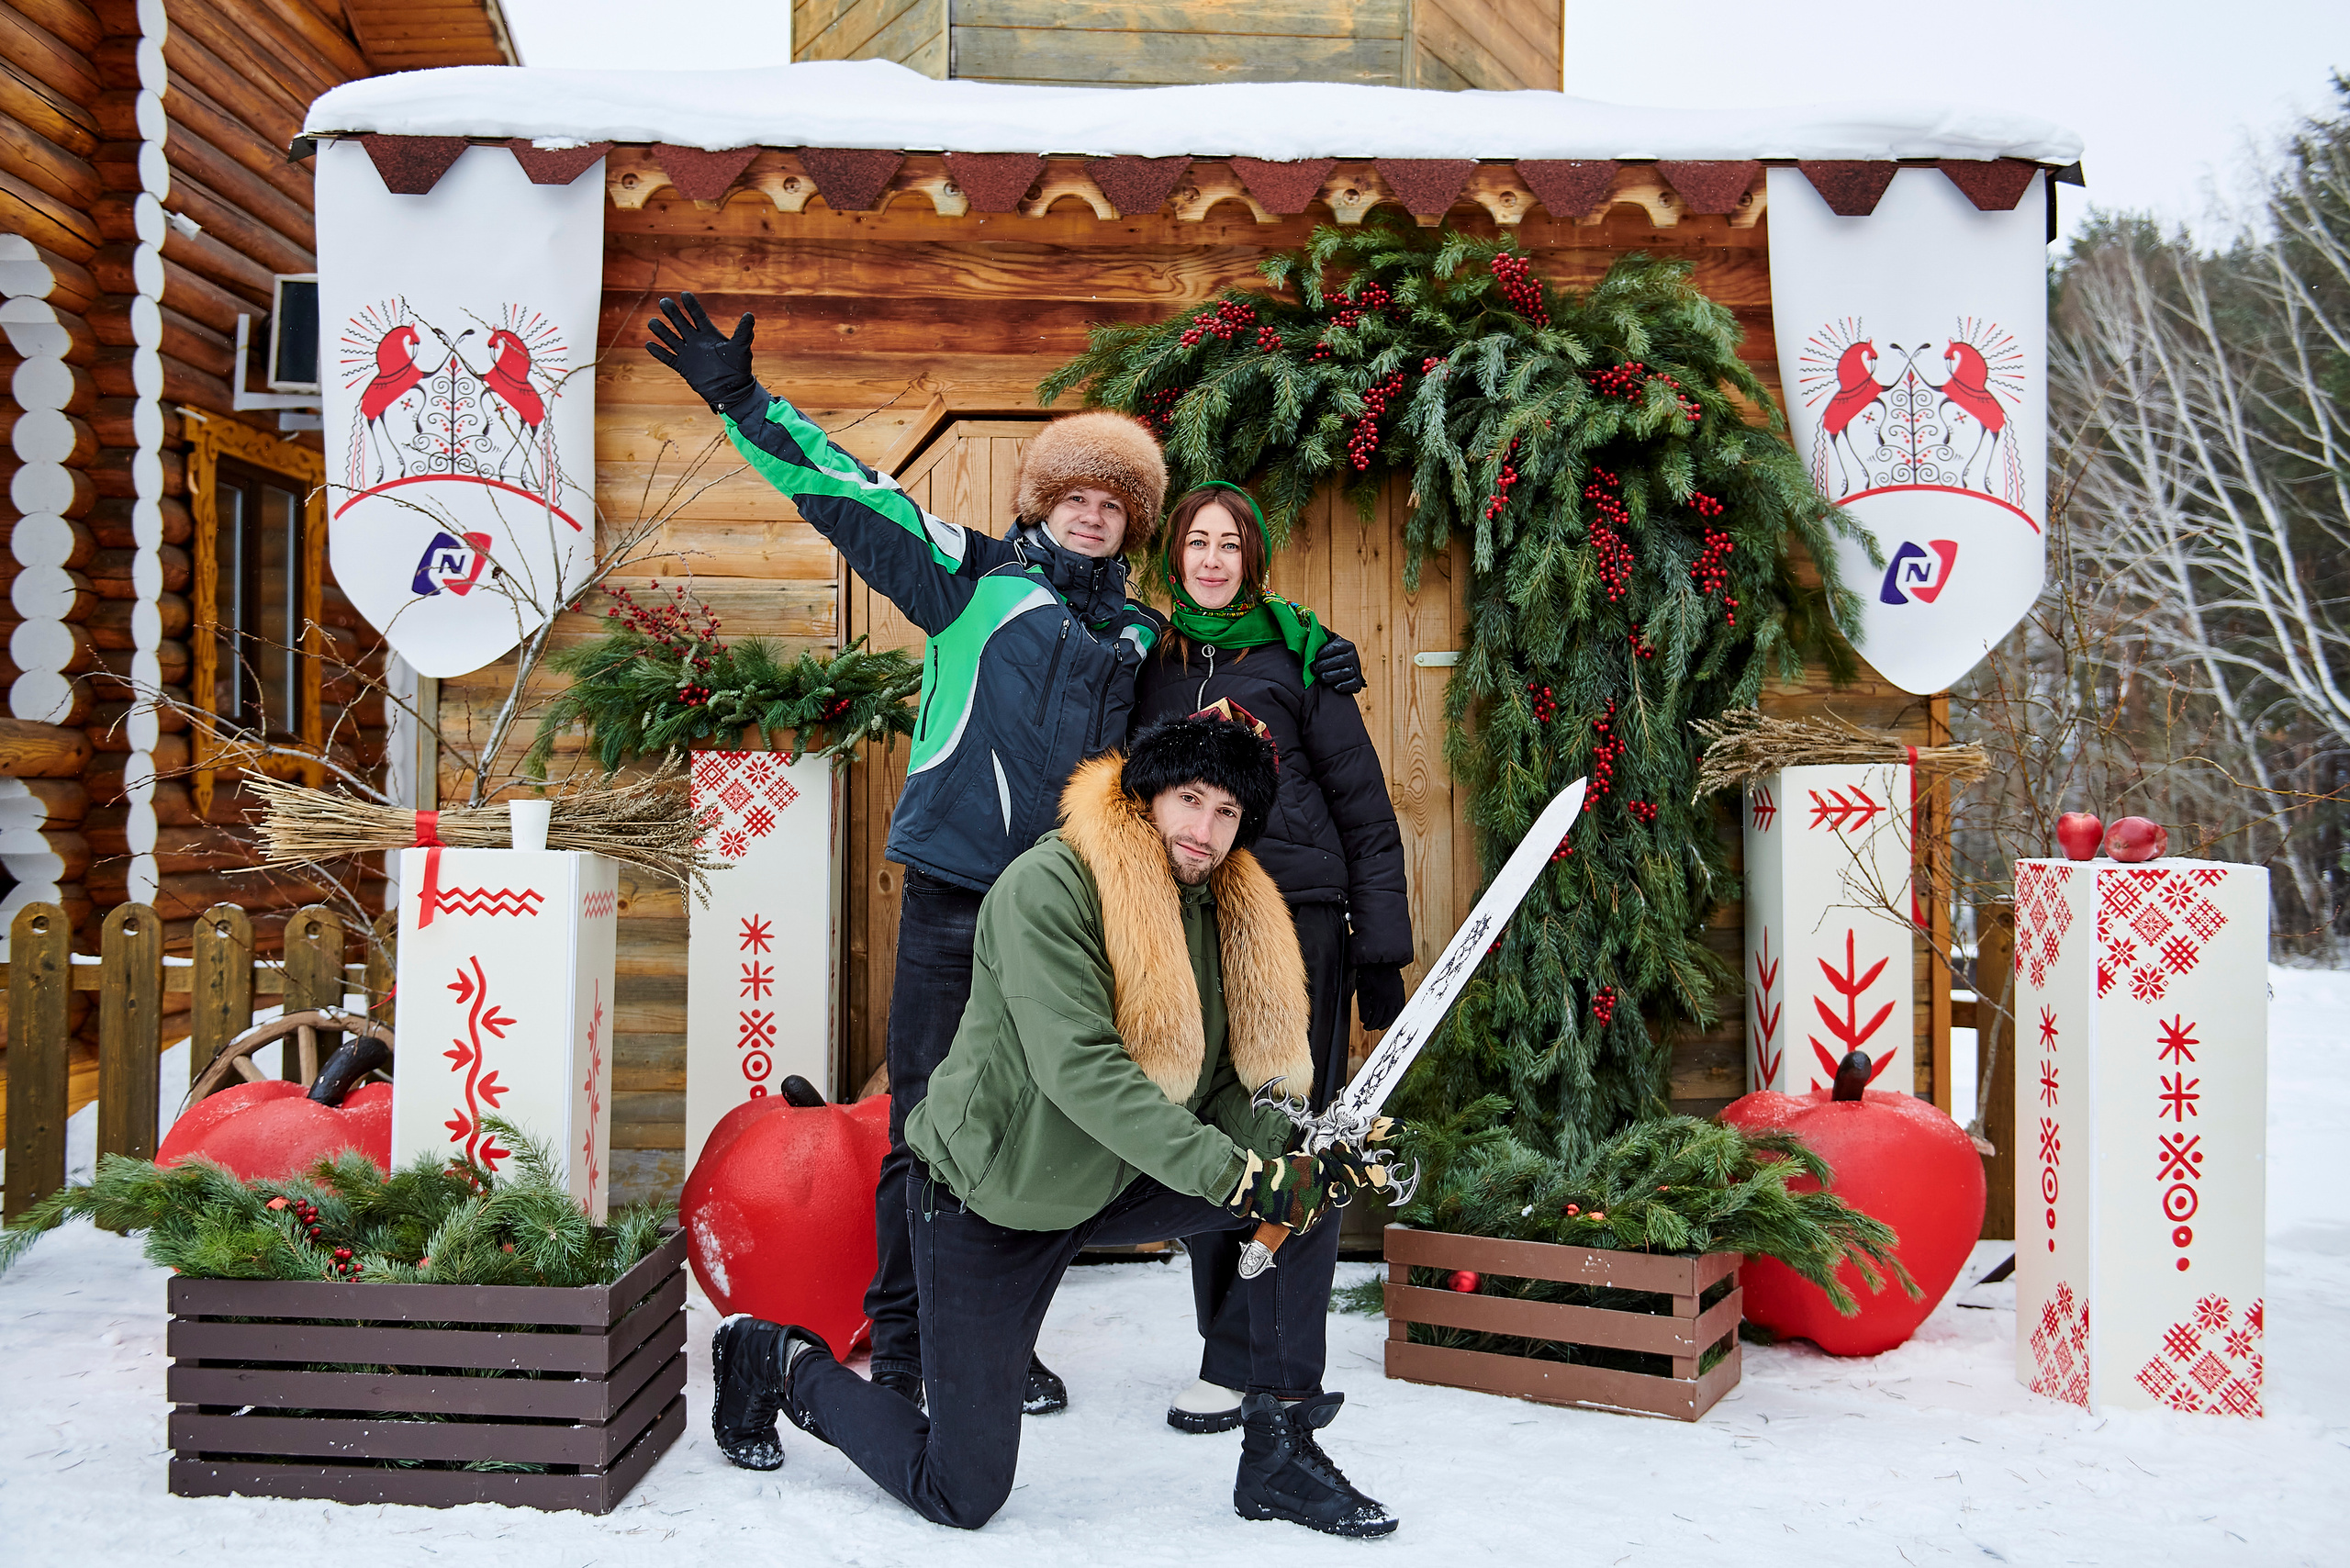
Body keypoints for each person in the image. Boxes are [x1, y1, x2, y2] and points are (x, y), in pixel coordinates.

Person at [645, 297, 1368, 1417]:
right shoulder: (971, 579)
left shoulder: (1137, 634)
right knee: (927, 1124)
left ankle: (992, 1335)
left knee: (1042, 1130)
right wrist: (740, 399)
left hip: (1071, 917)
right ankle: (907, 1344)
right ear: (1044, 503)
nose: (1091, 516)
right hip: (953, 895)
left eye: (1113, 504)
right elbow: (850, 496)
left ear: (1135, 526)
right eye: (1073, 497)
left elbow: (1215, 683)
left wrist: (1315, 649)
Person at [708, 714, 1399, 1538]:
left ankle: (1281, 1453)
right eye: (1189, 800)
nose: (1203, 830)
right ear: (1145, 795)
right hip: (990, 1196)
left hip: (1107, 1180)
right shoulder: (1048, 888)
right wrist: (1241, 1176)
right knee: (961, 1490)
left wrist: (1303, 1156)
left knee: (1305, 1196)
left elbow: (1219, 1090)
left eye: (1226, 813)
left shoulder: (1216, 911)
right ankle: (771, 1360)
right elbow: (1082, 1072)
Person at [1132, 482, 1414, 1435]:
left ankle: (1277, 1362)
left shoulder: (1301, 660)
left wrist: (1380, 954)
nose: (1212, 560)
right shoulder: (1151, 662)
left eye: (1230, 545)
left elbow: (1367, 817)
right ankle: (1225, 1346)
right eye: (1197, 543)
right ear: (1175, 557)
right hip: (1191, 928)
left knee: (1293, 1143)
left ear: (1252, 557)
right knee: (1215, 1139)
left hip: (1294, 929)